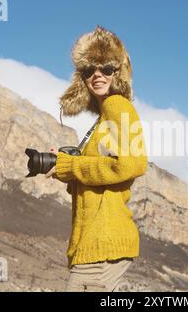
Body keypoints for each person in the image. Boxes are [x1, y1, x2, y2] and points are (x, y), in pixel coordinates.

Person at [45, 25, 148, 292]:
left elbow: (131, 164)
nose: (97, 75)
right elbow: (104, 176)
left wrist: (72, 165)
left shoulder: (117, 106)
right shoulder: (104, 116)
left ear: (119, 73)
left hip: (101, 245)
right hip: (95, 244)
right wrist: (65, 171)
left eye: (106, 68)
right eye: (89, 70)